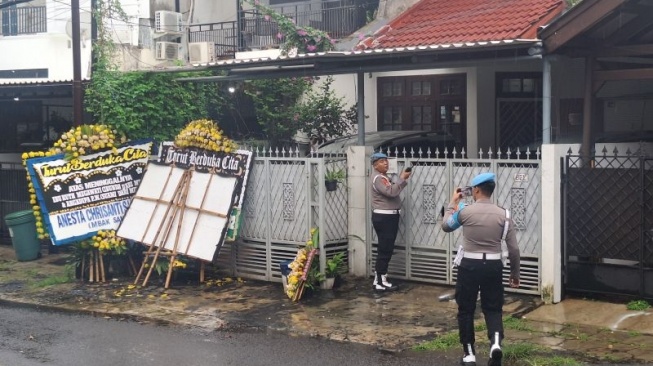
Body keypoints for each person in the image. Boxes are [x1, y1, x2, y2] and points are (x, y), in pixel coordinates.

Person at [441, 172, 520, 366]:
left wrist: (453, 203)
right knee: (493, 308)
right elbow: (514, 249)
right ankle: (495, 344)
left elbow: (446, 226)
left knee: (466, 309)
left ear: (476, 190)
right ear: (491, 190)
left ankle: (469, 354)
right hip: (493, 266)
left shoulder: (465, 212)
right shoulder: (504, 214)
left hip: (469, 265)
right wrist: (514, 273)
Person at [370, 152, 411, 291]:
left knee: (386, 247)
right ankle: (379, 280)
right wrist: (402, 179)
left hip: (389, 217)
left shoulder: (383, 177)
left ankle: (382, 278)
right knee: (385, 248)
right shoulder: (378, 178)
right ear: (375, 164)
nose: (386, 163)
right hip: (385, 217)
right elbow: (392, 192)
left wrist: (400, 179)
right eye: (382, 161)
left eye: (386, 161)